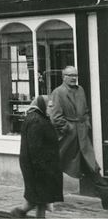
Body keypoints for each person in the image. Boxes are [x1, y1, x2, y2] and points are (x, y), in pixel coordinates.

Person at [50, 66, 108, 207]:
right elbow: (56, 117)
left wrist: (86, 122)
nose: (74, 77)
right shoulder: (58, 92)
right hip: (67, 139)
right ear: (63, 77)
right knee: (56, 165)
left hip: (82, 136)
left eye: (75, 75)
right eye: (70, 75)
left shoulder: (80, 89)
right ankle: (51, 197)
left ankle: (106, 200)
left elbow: (85, 110)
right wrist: (68, 128)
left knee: (93, 166)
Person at [10, 95, 63, 218]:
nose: (51, 109)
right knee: (40, 198)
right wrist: (43, 168)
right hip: (38, 167)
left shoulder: (38, 117)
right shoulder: (36, 121)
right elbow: (35, 148)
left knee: (40, 198)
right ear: (42, 106)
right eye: (49, 106)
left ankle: (20, 212)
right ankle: (19, 212)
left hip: (38, 166)